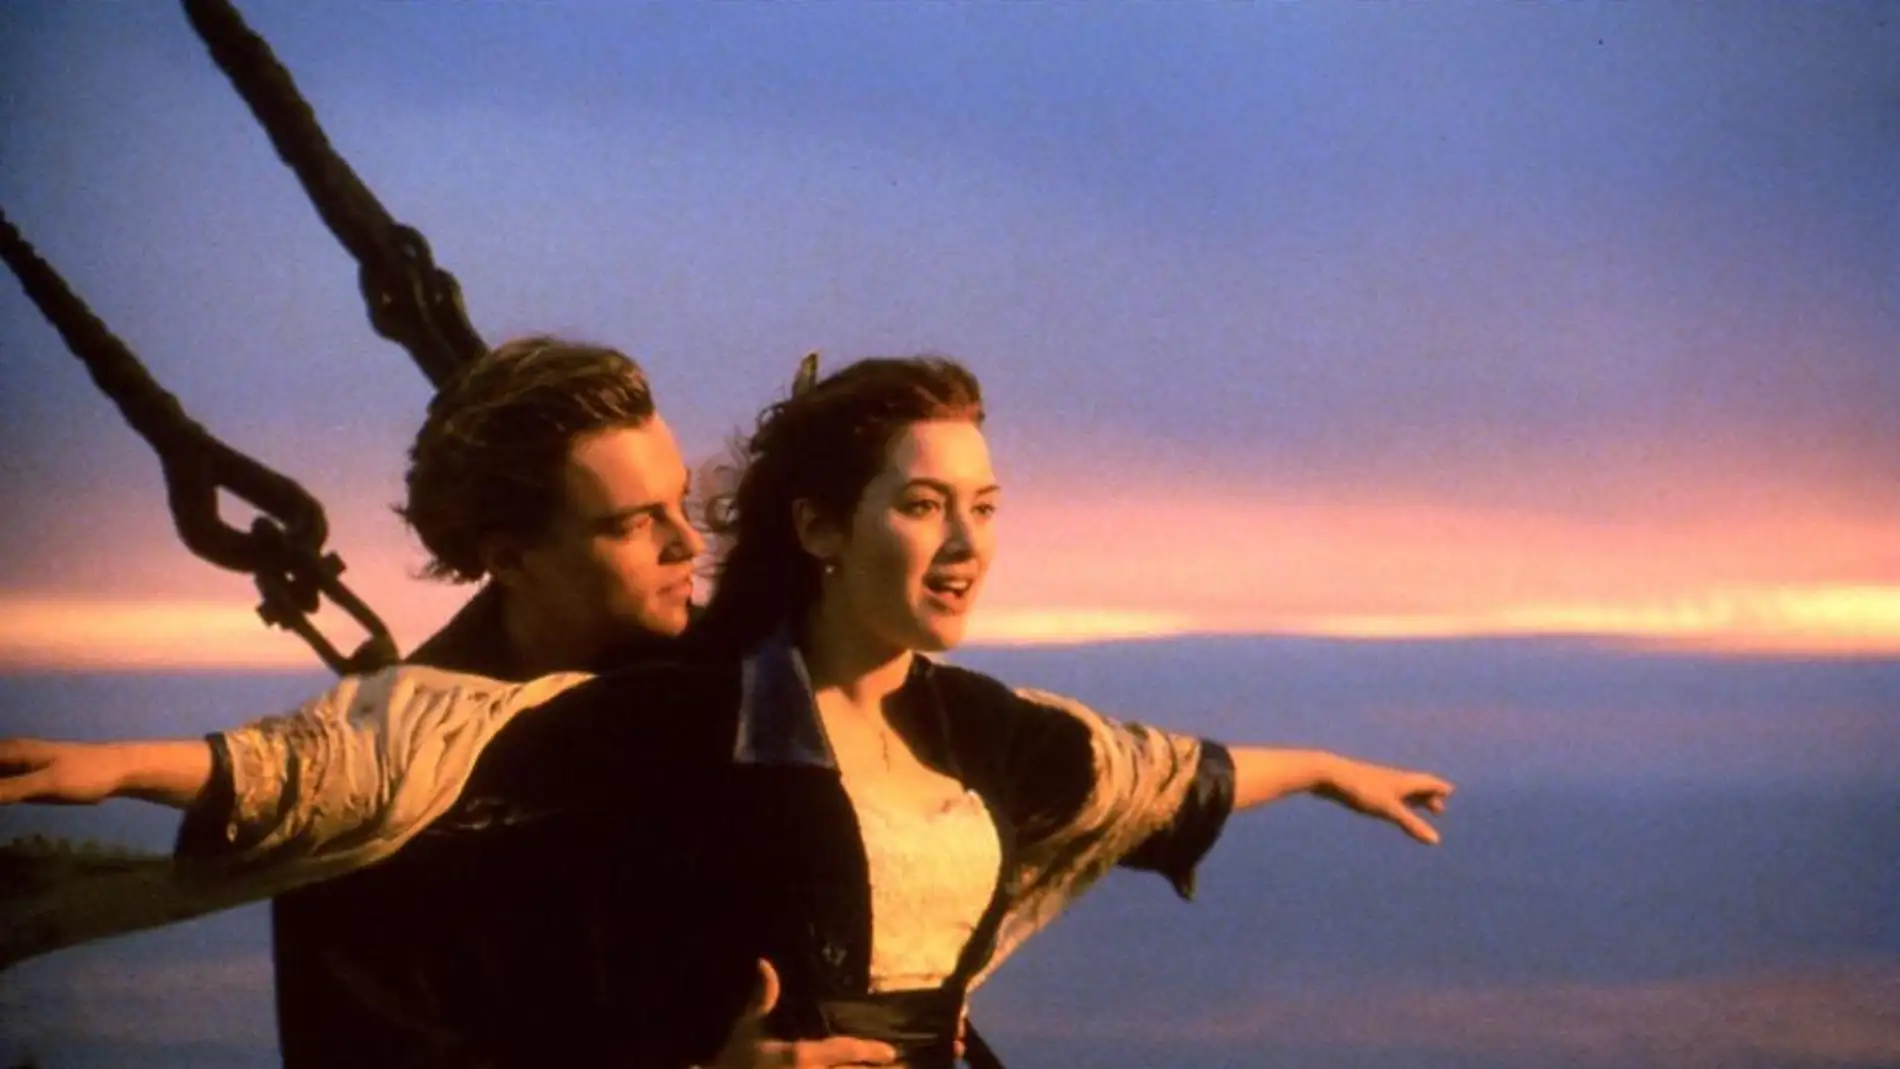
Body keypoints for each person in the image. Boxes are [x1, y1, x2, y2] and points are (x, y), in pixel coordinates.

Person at [3, 356, 1453, 1068]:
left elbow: (1115, 767)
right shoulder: (411, 812)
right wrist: (128, 766)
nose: (687, 546)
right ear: (509, 552)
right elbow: (361, 786)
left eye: (683, 506)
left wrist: (1320, 764)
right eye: (632, 526)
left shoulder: (759, 691)